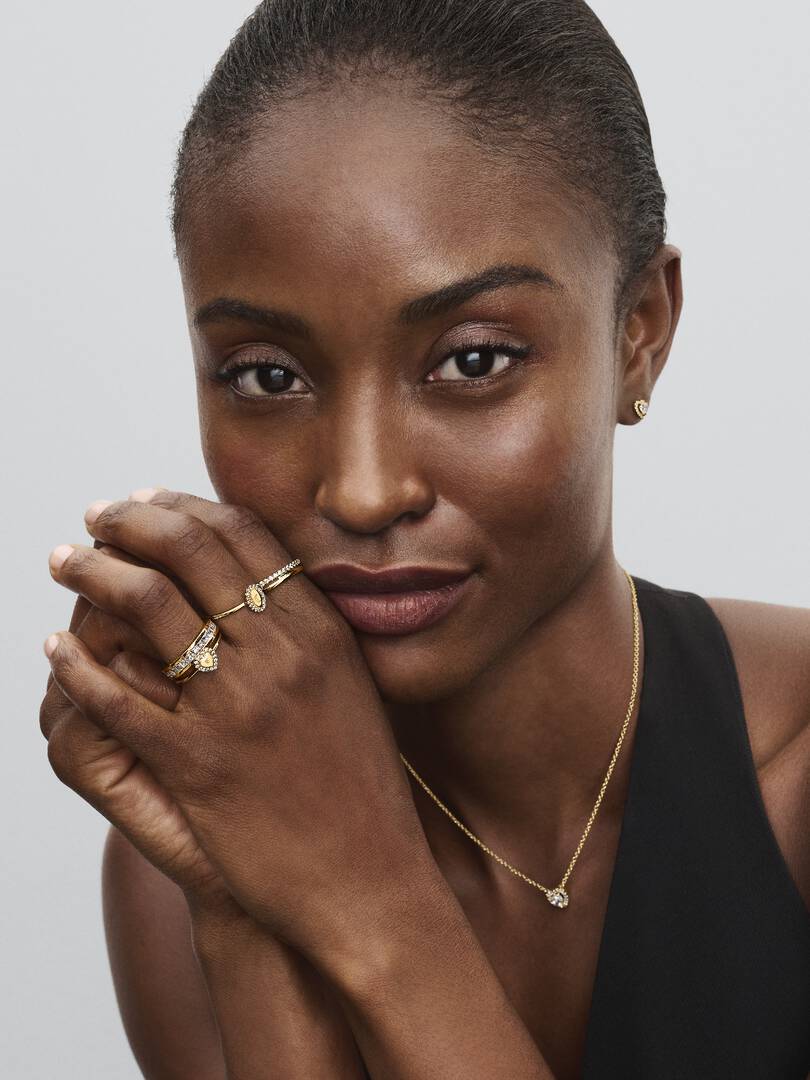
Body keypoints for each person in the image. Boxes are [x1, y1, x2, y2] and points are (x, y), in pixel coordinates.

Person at [39, 0, 810, 1077]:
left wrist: (369, 904)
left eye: (473, 360)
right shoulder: (184, 857)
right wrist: (244, 913)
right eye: (267, 376)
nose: (363, 492)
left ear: (640, 332)